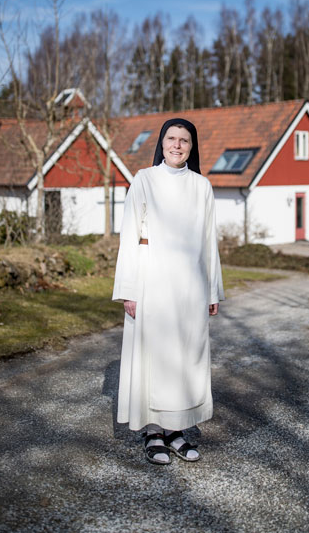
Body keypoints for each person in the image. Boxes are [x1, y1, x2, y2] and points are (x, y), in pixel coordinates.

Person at [112, 118, 224, 465]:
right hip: (151, 283)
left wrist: (212, 292)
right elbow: (129, 236)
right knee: (154, 356)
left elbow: (210, 242)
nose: (177, 145)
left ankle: (176, 430)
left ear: (192, 147)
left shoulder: (201, 186)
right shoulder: (144, 180)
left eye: (184, 140)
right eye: (171, 139)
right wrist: (128, 289)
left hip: (190, 286)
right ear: (161, 143)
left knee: (183, 357)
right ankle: (153, 432)